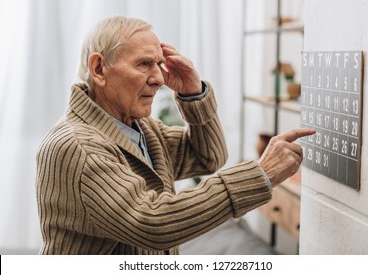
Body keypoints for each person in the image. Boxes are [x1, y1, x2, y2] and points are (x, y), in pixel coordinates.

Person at [35, 15, 315, 255]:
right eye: (144, 64)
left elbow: (208, 157)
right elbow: (153, 221)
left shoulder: (142, 130)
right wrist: (261, 175)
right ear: (99, 69)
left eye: (159, 63)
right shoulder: (75, 147)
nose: (159, 78)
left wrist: (194, 94)